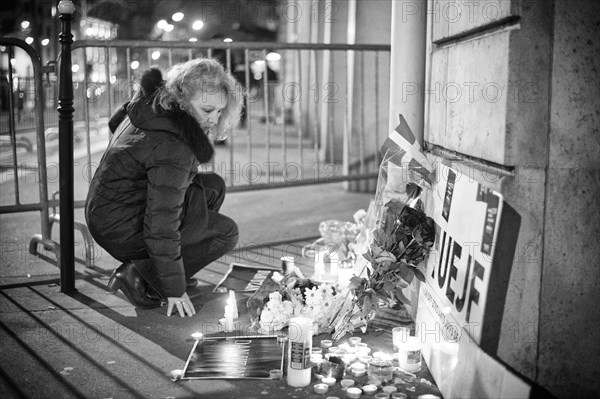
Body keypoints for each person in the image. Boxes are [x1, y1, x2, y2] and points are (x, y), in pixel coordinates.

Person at [85, 58, 243, 317]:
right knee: (226, 232)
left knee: (213, 186)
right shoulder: (175, 146)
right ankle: (141, 278)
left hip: (106, 208)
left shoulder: (152, 104)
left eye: (219, 111)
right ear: (181, 101)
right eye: (207, 110)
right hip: (119, 226)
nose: (214, 119)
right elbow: (161, 224)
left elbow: (116, 124)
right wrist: (174, 289)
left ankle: (167, 266)